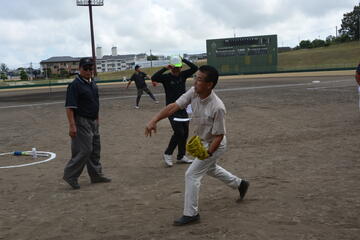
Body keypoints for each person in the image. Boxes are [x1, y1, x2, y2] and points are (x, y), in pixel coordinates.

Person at [145, 65, 250, 225]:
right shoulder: (193, 92)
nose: (195, 82)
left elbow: (219, 135)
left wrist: (208, 153)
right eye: (195, 77)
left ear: (209, 84)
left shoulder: (218, 107)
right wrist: (154, 120)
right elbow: (174, 106)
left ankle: (191, 214)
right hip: (203, 141)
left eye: (199, 79)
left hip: (215, 144)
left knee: (192, 174)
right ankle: (240, 184)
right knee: (211, 169)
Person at [63, 57, 111, 189]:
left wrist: (97, 118)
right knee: (85, 150)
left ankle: (96, 175)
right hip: (81, 120)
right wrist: (72, 125)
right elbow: (69, 107)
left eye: (91, 68)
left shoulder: (92, 83)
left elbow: (95, 103)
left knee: (95, 149)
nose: (89, 71)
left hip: (93, 120)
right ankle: (70, 175)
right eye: (86, 68)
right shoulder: (75, 85)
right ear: (80, 69)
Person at [151, 56, 197, 166]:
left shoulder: (183, 75)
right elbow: (154, 77)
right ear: (171, 67)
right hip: (171, 109)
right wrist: (165, 68)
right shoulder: (166, 78)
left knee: (185, 132)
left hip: (183, 107)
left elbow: (195, 68)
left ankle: (181, 156)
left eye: (179, 67)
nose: (177, 69)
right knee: (179, 132)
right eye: (175, 67)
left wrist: (184, 60)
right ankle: (168, 153)